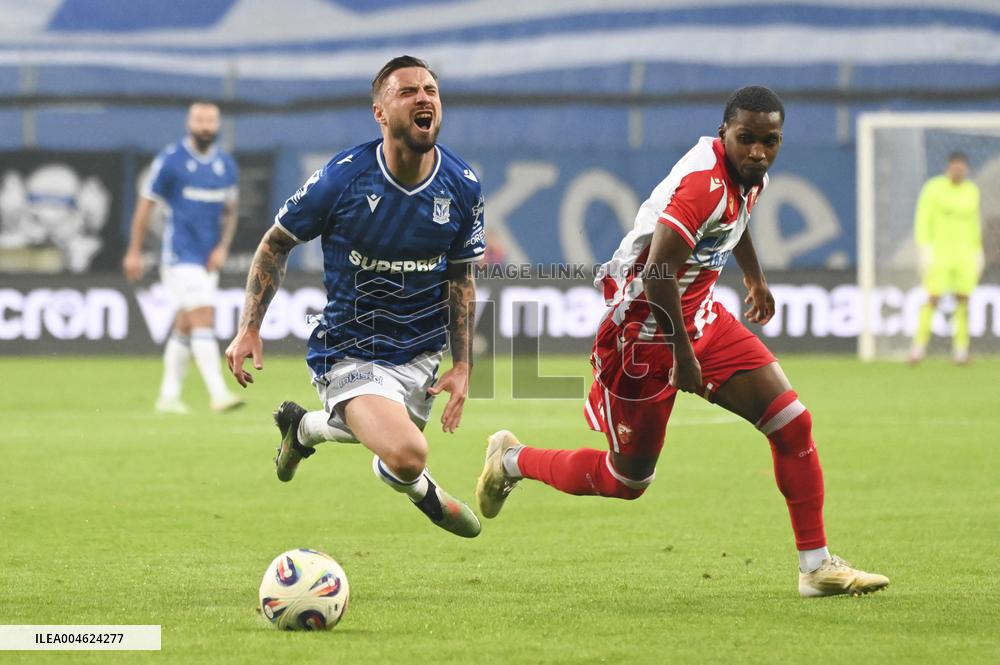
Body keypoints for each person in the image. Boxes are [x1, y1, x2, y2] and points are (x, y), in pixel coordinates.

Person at [476, 86, 889, 597]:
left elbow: (736, 220)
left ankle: (816, 567)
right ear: (724, 134)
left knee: (791, 423)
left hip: (700, 316)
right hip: (641, 334)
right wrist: (683, 355)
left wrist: (754, 277)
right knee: (626, 481)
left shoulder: (748, 173)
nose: (759, 152)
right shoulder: (702, 186)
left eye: (770, 141)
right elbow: (656, 273)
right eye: (747, 139)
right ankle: (512, 459)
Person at [225, 56, 484, 539]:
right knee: (408, 454)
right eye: (408, 91)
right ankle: (419, 488)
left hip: (420, 353)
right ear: (380, 113)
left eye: (430, 90)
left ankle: (303, 430)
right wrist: (249, 327)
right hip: (349, 349)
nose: (424, 98)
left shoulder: (462, 186)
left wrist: (463, 364)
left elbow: (460, 278)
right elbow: (274, 244)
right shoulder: (343, 179)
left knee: (389, 440)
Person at [123, 101, 243, 414]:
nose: (205, 126)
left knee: (186, 325)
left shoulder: (226, 165)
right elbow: (145, 206)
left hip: (207, 259)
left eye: (211, 121)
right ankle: (218, 393)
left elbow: (231, 211)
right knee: (203, 316)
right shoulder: (171, 161)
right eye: (200, 120)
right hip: (179, 255)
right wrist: (134, 251)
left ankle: (168, 396)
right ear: (189, 124)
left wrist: (223, 247)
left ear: (218, 125)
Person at [908, 151, 984, 365]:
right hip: (939, 253)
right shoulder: (934, 188)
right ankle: (918, 348)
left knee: (963, 300)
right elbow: (923, 218)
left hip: (965, 253)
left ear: (966, 169)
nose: (958, 171)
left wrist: (978, 251)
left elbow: (974, 222)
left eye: (961, 167)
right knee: (933, 298)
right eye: (954, 167)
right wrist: (924, 247)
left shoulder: (971, 190)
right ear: (948, 167)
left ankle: (961, 350)